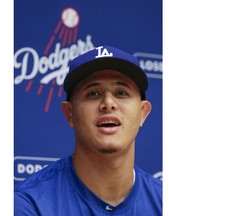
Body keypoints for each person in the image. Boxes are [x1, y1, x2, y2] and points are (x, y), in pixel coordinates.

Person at [14, 45, 162, 215]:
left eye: (121, 92)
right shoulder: (28, 204)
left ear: (143, 113)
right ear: (69, 113)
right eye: (93, 93)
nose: (108, 103)